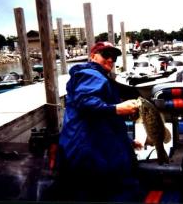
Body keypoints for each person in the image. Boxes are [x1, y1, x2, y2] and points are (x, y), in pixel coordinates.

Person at [57, 41, 143, 202]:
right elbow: (85, 102)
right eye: (106, 54)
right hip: (89, 153)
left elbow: (102, 120)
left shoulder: (95, 76)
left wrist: (127, 141)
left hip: (91, 147)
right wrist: (117, 108)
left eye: (114, 57)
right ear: (92, 56)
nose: (111, 59)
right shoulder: (91, 74)